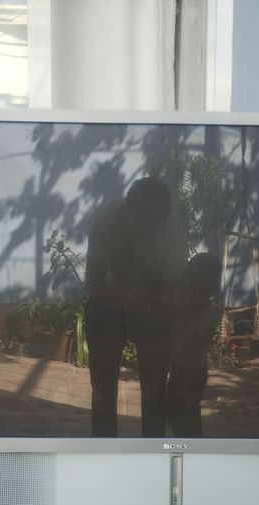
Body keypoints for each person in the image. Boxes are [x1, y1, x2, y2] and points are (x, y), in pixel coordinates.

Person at [85, 177, 187, 436]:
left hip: (152, 311)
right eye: (141, 223)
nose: (147, 232)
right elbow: (93, 283)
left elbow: (176, 298)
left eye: (154, 225)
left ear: (165, 218)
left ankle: (154, 451)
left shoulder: (174, 237)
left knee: (154, 392)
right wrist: (122, 301)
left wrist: (156, 305)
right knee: (103, 390)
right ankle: (104, 449)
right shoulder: (108, 219)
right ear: (126, 209)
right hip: (107, 303)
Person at [166, 252, 221, 437]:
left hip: (193, 372)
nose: (193, 287)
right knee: (174, 411)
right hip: (179, 369)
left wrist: (180, 311)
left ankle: (192, 444)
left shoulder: (207, 315)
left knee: (188, 415)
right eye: (191, 282)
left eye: (201, 283)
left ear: (212, 288)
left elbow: (189, 337)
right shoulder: (188, 307)